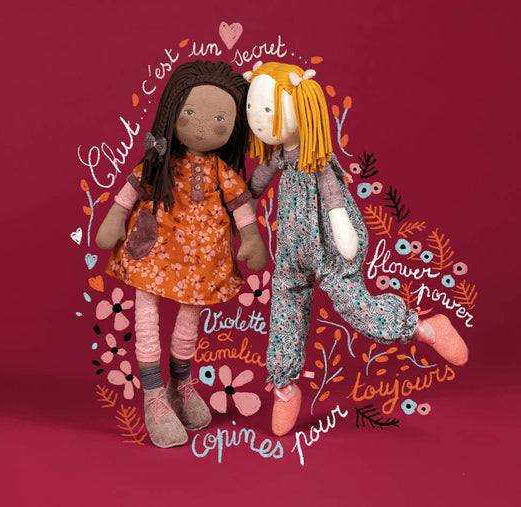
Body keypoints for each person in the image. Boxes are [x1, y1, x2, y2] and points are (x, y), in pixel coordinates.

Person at [243, 61, 468, 436]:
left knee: (355, 307)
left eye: (267, 109)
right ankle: (284, 387)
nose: (259, 119)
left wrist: (344, 232)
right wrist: (241, 215)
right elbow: (255, 186)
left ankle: (422, 328)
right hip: (291, 254)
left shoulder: (317, 160)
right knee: (284, 310)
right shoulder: (278, 156)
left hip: (331, 249)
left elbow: (333, 197)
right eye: (254, 108)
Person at [96, 60, 266, 448]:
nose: (204, 126)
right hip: (155, 245)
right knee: (146, 312)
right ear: (172, 110)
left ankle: (181, 384)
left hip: (203, 254)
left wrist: (251, 239)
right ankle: (153, 395)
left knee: (191, 315)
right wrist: (115, 218)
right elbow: (131, 189)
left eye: (220, 119)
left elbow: (240, 204)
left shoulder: (222, 170)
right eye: (190, 112)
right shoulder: (160, 163)